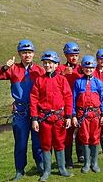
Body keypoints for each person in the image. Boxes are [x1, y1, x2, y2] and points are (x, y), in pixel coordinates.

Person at [0, 39, 44, 180]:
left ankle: (41, 166)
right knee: (20, 142)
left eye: (30, 52)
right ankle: (19, 170)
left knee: (38, 142)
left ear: (33, 54)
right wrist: (4, 67)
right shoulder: (13, 69)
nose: (27, 55)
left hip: (37, 111)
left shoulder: (39, 70)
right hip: (20, 112)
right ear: (19, 54)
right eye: (24, 52)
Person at [30, 51, 73, 181]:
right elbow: (34, 99)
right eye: (45, 63)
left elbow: (68, 98)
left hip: (59, 118)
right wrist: (34, 119)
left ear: (56, 65)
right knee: (46, 144)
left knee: (60, 143)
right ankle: (47, 170)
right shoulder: (39, 80)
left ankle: (62, 168)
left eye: (50, 63)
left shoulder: (62, 79)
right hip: (44, 118)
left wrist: (69, 116)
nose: (47, 65)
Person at [72, 55, 103, 173]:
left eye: (91, 68)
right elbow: (73, 100)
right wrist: (73, 115)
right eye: (87, 67)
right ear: (82, 68)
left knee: (95, 138)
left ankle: (94, 162)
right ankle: (86, 163)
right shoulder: (78, 83)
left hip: (96, 115)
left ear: (94, 68)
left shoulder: (99, 83)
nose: (89, 70)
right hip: (82, 116)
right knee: (85, 138)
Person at [56, 41, 84, 168]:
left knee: (81, 131)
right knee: (67, 134)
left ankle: (81, 155)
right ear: (66, 55)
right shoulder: (60, 69)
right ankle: (68, 160)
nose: (74, 57)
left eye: (76, 55)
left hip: (80, 105)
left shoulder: (82, 69)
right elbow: (51, 82)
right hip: (66, 106)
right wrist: (63, 74)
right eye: (71, 55)